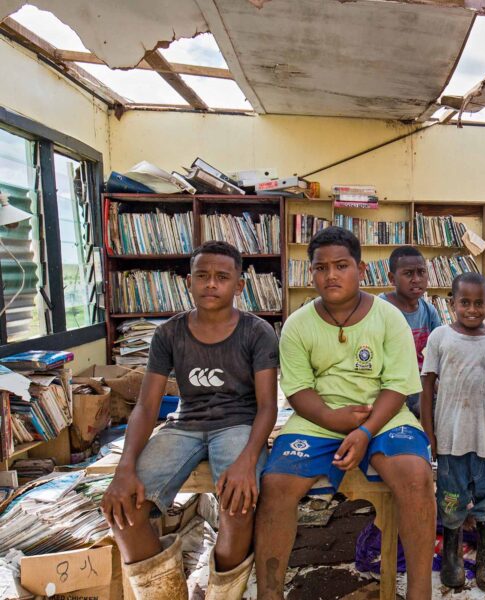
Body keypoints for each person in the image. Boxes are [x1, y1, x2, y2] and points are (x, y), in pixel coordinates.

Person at [255, 227, 435, 600]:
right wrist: (336, 421)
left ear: (361, 269)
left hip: (384, 415)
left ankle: (420, 591)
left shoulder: (388, 317)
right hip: (318, 418)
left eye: (341, 265)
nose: (331, 275)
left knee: (417, 476)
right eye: (321, 268)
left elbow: (398, 385)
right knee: (275, 486)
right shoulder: (298, 324)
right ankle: (269, 593)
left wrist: (366, 431)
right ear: (311, 274)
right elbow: (298, 389)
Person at [101, 241, 279, 600]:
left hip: (238, 424)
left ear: (239, 286)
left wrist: (247, 461)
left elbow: (267, 406)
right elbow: (147, 407)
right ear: (189, 281)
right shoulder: (169, 333)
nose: (211, 284)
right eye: (202, 276)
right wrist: (124, 468)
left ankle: (221, 594)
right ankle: (164, 594)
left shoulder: (257, 332)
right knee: (121, 508)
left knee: (238, 503)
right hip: (184, 425)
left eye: (221, 277)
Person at [420, 272, 485, 591]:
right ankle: (452, 555)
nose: (472, 310)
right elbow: (426, 388)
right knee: (451, 499)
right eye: (464, 302)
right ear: (452, 304)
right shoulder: (439, 337)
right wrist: (429, 433)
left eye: (479, 303)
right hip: (450, 440)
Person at [378, 245, 441, 418]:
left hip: (423, 386)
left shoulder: (429, 311)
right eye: (408, 274)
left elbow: (439, 355)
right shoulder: (379, 309)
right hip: (389, 387)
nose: (416, 279)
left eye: (421, 272)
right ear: (392, 278)